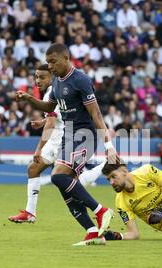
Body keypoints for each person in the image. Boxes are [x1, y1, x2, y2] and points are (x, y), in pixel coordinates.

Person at [14, 43, 117, 245]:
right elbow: (49, 107)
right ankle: (93, 232)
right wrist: (28, 98)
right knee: (66, 186)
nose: (50, 66)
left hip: (85, 135)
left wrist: (108, 145)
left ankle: (101, 210)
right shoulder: (58, 84)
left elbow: (95, 113)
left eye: (53, 62)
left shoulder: (80, 80)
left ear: (66, 58)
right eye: (48, 62)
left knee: (58, 176)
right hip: (68, 137)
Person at [8, 64, 107, 224]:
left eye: (42, 77)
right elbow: (56, 117)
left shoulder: (54, 91)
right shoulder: (54, 91)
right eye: (36, 77)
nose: (38, 81)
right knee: (35, 170)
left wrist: (39, 148)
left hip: (63, 140)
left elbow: (52, 123)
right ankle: (30, 212)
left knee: (68, 183)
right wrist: (43, 121)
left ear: (51, 77)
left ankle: (103, 170)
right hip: (60, 138)